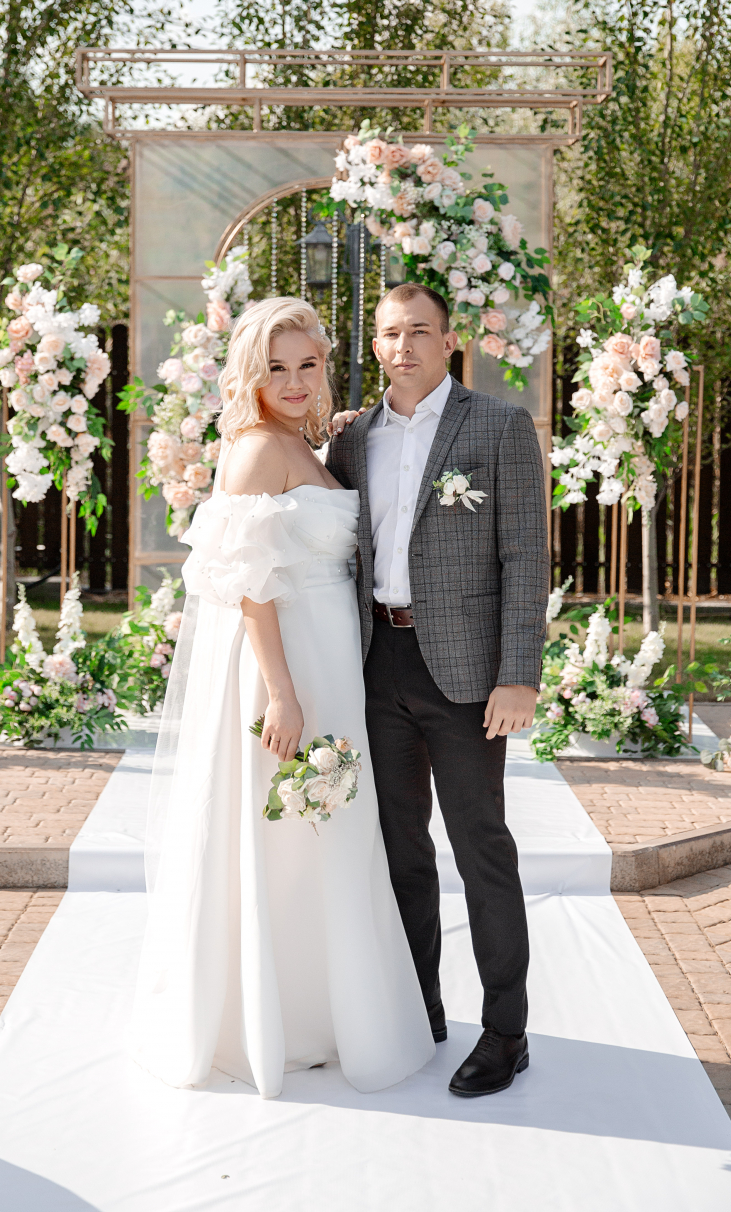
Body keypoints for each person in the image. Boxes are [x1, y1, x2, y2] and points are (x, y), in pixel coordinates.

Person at [131, 296, 435, 1100]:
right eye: (276, 368)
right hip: (289, 668)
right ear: (250, 374)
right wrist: (280, 693)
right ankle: (276, 1018)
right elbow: (249, 585)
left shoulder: (302, 440)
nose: (295, 381)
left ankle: (325, 1010)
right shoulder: (255, 451)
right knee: (285, 832)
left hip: (331, 663)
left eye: (307, 364)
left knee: (320, 831)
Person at [326, 282, 549, 1098]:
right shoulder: (353, 439)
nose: (405, 345)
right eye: (391, 332)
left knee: (480, 845)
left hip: (463, 673)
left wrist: (517, 673)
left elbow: (527, 554)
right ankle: (418, 1007)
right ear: (375, 346)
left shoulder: (498, 425)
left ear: (450, 340)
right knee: (399, 850)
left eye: (421, 330)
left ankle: (506, 1030)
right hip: (377, 661)